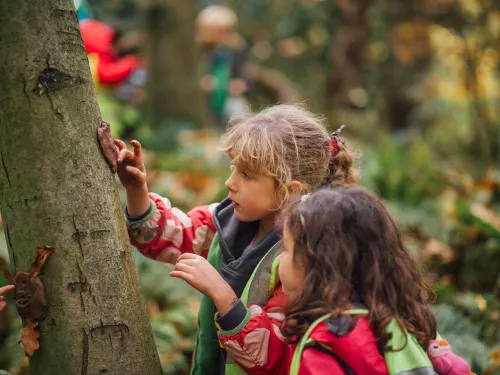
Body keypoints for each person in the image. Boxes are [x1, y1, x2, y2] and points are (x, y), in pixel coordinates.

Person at [114, 104, 358, 374]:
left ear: (289, 191)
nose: (230, 183)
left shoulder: (301, 257)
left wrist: (220, 292)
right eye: (234, 168)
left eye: (246, 175)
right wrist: (137, 190)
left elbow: (271, 355)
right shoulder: (227, 219)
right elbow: (171, 235)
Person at [191, 187, 470, 375]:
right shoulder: (400, 323)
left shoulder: (324, 345)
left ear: (318, 264)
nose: (279, 262)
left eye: (286, 250)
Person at [196, 5, 250, 128]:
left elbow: (244, 73)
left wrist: (241, 84)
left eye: (227, 30)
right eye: (219, 31)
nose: (224, 35)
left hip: (230, 98)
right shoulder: (204, 52)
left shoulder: (235, 50)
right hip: (212, 100)